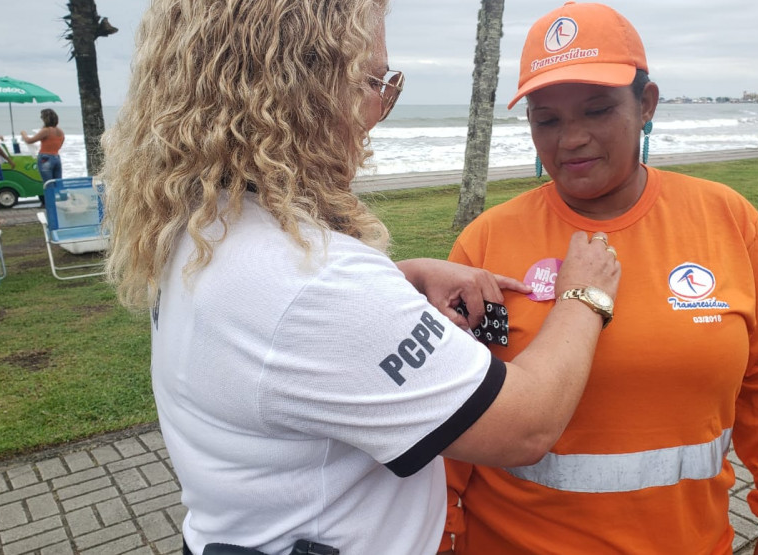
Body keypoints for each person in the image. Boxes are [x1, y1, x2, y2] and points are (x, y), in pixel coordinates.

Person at [101, 1, 620, 554]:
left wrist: (396, 281)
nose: (379, 109)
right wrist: (581, 295)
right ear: (305, 88)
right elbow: (525, 425)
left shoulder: (205, 228)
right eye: (373, 81)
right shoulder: (310, 282)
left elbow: (273, 335)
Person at [440, 3, 758, 555]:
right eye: (546, 119)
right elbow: (454, 416)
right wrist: (444, 539)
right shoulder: (485, 242)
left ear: (646, 104)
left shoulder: (728, 219)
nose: (570, 139)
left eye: (596, 110)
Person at [20, 108, 65, 184]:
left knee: (48, 184)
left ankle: (49, 196)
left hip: (45, 158)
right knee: (58, 183)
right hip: (56, 157)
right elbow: (59, 145)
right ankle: (58, 196)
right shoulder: (60, 131)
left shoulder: (46, 130)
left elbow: (29, 141)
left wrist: (23, 134)